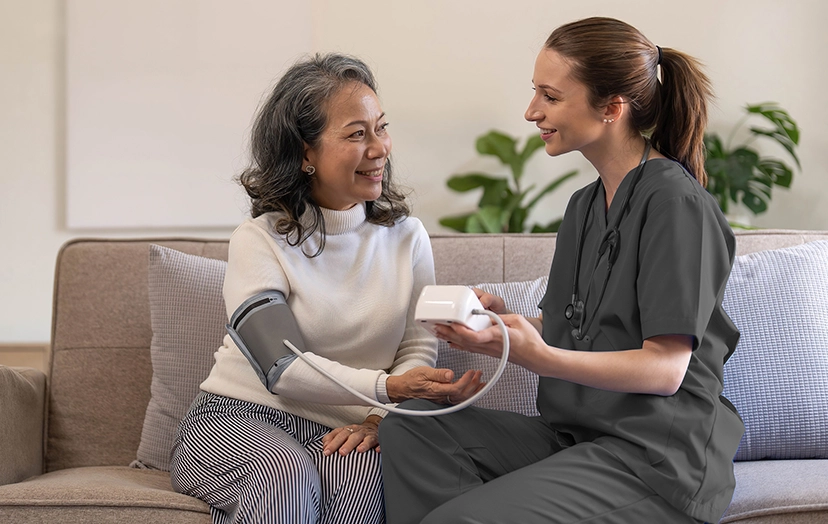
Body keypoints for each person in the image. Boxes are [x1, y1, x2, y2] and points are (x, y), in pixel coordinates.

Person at [379, 17, 744, 524]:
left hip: (657, 460)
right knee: (414, 426)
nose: (532, 112)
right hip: (580, 440)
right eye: (536, 93)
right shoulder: (584, 207)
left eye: (550, 96)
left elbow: (665, 369)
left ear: (612, 108)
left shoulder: (676, 204)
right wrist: (503, 328)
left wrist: (542, 357)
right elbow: (572, 330)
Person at [169, 53, 483, 524]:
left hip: (349, 426)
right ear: (305, 153)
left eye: (381, 127)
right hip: (236, 417)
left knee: (363, 473)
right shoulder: (259, 240)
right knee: (284, 475)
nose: (379, 148)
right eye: (357, 134)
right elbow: (281, 366)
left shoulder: (407, 237)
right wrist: (387, 388)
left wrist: (383, 417)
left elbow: (417, 344)